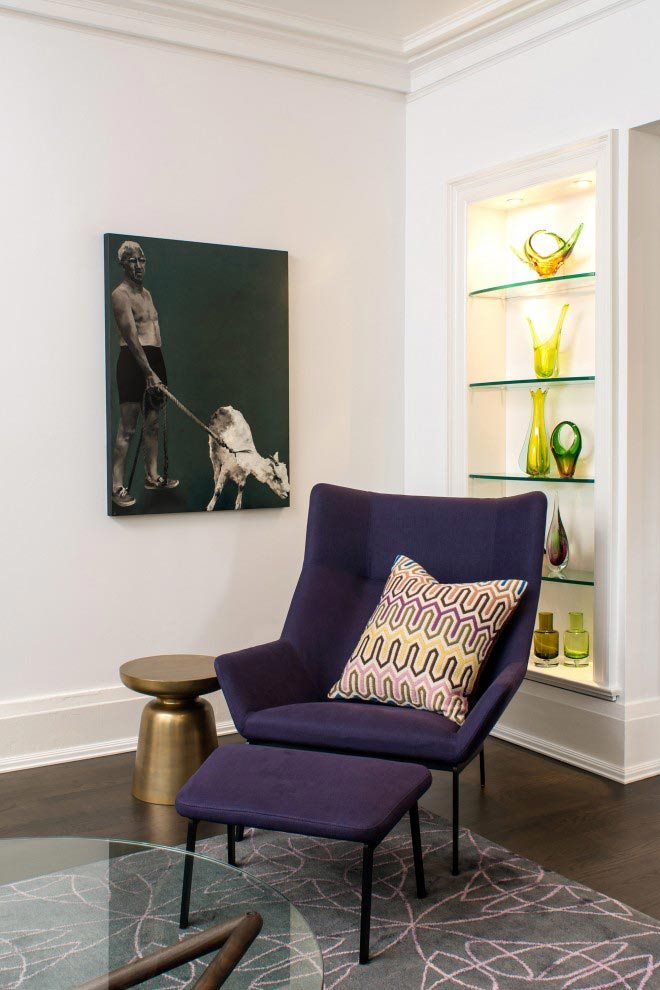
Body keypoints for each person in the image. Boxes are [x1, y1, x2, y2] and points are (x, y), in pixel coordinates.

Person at [110, 240, 179, 508]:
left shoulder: (147, 294)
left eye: (141, 261)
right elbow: (131, 335)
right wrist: (148, 372)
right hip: (132, 360)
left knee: (152, 424)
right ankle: (117, 486)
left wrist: (156, 367)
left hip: (155, 357)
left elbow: (152, 332)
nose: (138, 266)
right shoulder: (120, 295)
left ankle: (152, 475)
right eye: (132, 261)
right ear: (123, 264)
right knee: (127, 428)